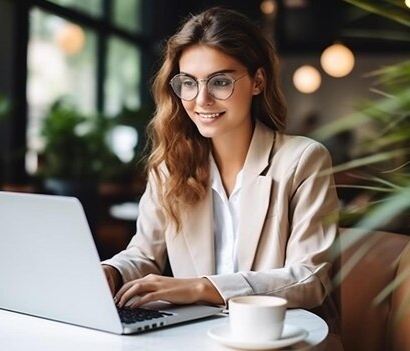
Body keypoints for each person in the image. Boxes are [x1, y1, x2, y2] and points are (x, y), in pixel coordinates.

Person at [101, 7, 341, 348]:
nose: (201, 100)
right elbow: (143, 255)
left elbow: (309, 277)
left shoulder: (302, 160)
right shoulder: (171, 166)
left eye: (220, 81)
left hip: (286, 342)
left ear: (257, 81)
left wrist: (203, 287)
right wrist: (111, 272)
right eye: (188, 83)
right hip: (198, 339)